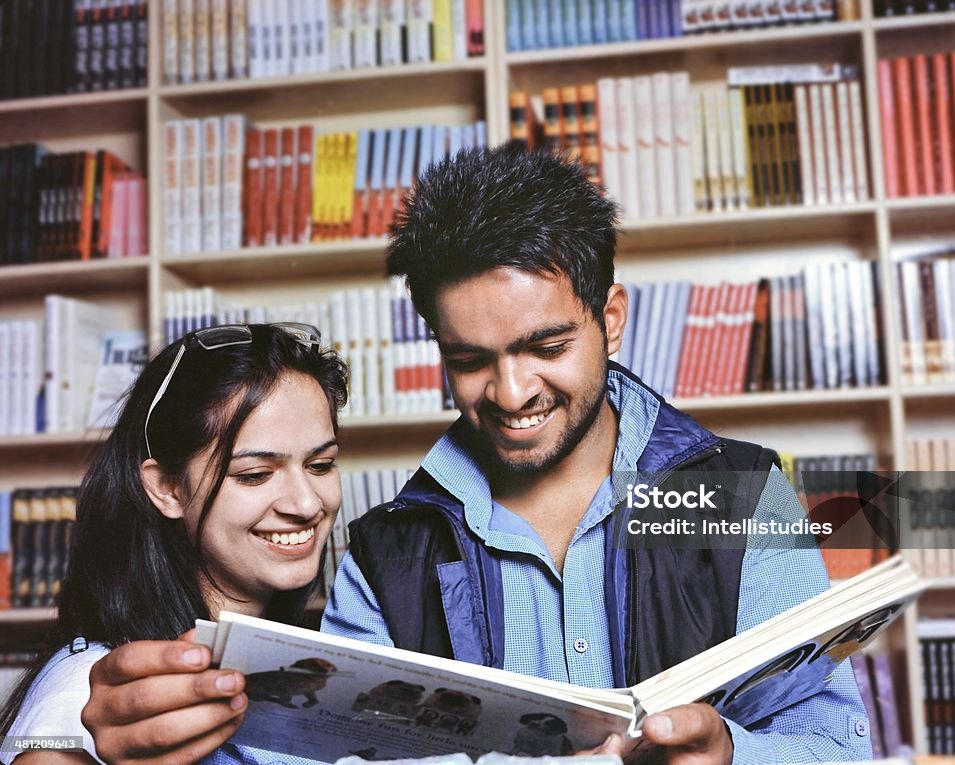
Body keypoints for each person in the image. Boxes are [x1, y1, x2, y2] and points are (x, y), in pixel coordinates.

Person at [84, 146, 874, 764]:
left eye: (547, 345)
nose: (511, 390)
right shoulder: (390, 550)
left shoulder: (739, 499)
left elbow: (841, 746)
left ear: (613, 318)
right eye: (470, 358)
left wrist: (734, 751)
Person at [0, 323, 348, 765]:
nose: (306, 503)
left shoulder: (280, 654)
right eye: (254, 475)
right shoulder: (93, 690)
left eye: (321, 465)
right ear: (167, 489)